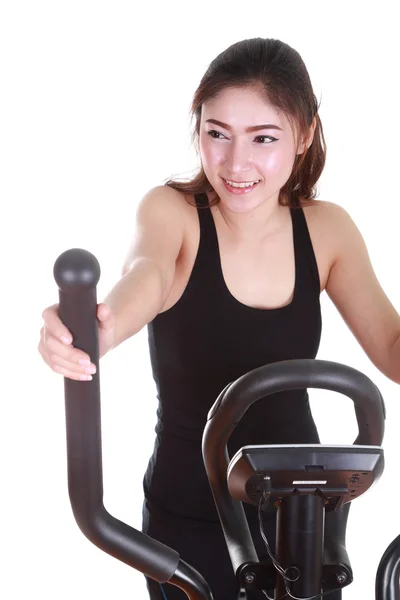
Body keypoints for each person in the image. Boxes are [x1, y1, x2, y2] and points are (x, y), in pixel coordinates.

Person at [38, 37, 400, 600]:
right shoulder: (173, 212)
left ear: (303, 136)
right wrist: (98, 326)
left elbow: (393, 345)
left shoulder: (328, 230)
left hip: (300, 516)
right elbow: (147, 274)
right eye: (217, 134)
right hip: (188, 519)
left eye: (264, 138)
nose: (236, 164)